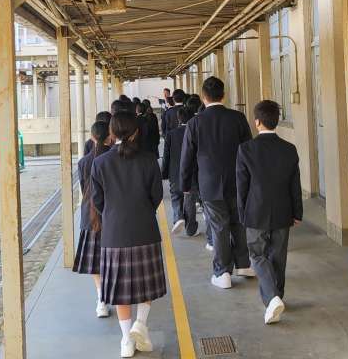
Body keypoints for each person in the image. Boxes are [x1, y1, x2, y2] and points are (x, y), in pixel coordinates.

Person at [92, 112, 166, 358]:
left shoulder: (100, 163)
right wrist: (143, 210)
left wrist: (113, 214)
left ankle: (126, 340)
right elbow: (156, 196)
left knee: (120, 288)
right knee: (146, 283)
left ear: (112, 133)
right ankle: (140, 325)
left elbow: (98, 201)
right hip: (145, 229)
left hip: (114, 233)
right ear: (136, 132)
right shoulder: (148, 160)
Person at [180, 76, 254, 289]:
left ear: (203, 97)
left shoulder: (195, 123)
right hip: (238, 181)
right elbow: (248, 150)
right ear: (224, 95)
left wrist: (186, 185)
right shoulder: (238, 118)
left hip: (209, 184)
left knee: (219, 227)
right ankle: (243, 264)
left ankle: (222, 273)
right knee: (238, 221)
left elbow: (187, 158)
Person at [236, 100, 303, 325]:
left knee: (257, 255)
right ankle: (277, 297)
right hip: (283, 210)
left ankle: (273, 299)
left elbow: (242, 186)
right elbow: (295, 184)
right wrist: (297, 212)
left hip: (255, 210)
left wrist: (242, 213)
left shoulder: (246, 149)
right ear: (277, 120)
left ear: (257, 122)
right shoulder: (289, 149)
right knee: (278, 256)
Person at [73, 121, 111, 317]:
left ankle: (101, 299)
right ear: (110, 136)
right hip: (112, 214)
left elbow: (83, 189)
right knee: (112, 257)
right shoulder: (113, 157)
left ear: (92, 137)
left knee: (95, 261)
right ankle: (112, 294)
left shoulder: (83, 162)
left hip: (90, 214)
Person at [162, 107, 199, 237]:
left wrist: (164, 172)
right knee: (190, 199)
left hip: (175, 171)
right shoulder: (195, 132)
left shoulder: (171, 134)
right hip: (192, 171)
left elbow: (166, 155)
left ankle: (178, 217)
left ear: (179, 118)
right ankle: (190, 229)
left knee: (176, 195)